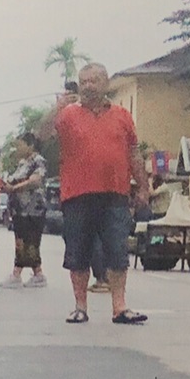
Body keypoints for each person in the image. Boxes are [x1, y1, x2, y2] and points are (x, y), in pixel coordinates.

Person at [42, 61, 146, 325]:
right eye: (84, 81)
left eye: (93, 81)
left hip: (115, 193)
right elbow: (41, 136)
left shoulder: (122, 115)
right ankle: (80, 307)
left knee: (117, 251)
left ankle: (119, 307)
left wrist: (143, 186)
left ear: (105, 83)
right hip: (77, 195)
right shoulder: (67, 115)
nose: (88, 86)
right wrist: (56, 108)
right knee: (78, 252)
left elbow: (134, 153)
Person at [1, 131, 49, 286]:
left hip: (33, 208)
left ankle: (24, 274)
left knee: (30, 240)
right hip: (19, 209)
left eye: (20, 145)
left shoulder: (38, 161)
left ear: (31, 145)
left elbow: (35, 181)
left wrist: (14, 188)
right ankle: (32, 273)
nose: (18, 149)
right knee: (22, 240)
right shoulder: (23, 163)